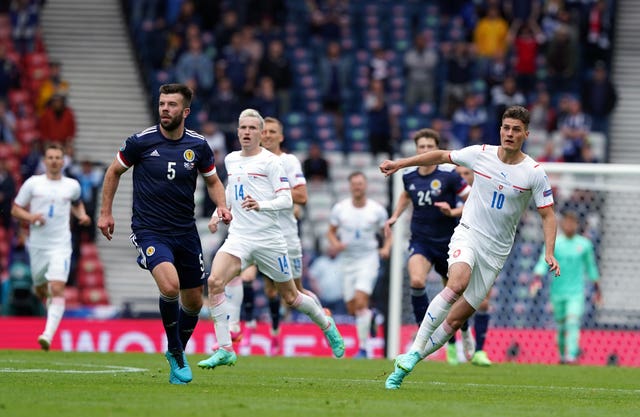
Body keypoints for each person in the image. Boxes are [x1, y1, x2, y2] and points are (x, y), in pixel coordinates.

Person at [380, 105, 560, 389]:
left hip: (496, 252)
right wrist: (400, 163)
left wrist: (549, 251)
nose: (509, 134)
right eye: (506, 127)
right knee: (457, 283)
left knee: (455, 320)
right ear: (500, 128)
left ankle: (411, 361)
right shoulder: (481, 154)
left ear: (526, 133)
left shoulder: (534, 173)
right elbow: (441, 155)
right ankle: (414, 347)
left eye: (516, 129)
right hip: (469, 233)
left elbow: (548, 215)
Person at [97, 83, 232, 385]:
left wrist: (222, 205)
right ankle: (175, 350)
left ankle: (176, 354)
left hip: (185, 231)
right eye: (161, 104)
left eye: (171, 105)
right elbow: (113, 172)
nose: (165, 110)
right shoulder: (140, 142)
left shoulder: (198, 146)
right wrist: (105, 212)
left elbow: (212, 180)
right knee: (170, 285)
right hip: (150, 229)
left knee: (195, 302)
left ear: (185, 111)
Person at [197, 109, 344, 370]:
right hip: (240, 236)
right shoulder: (231, 160)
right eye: (243, 127)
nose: (246, 132)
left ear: (260, 133)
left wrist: (261, 205)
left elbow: (287, 199)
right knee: (215, 281)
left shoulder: (272, 162)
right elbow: (231, 191)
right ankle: (225, 348)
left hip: (269, 239)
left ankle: (326, 324)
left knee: (291, 297)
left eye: (252, 128)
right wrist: (217, 213)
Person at [224, 116, 328, 356]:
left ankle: (311, 321)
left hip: (284, 237)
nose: (268, 135)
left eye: (273, 131)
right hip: (253, 233)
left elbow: (301, 197)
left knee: (290, 293)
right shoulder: (246, 161)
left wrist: (272, 190)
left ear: (280, 137)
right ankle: (242, 330)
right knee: (242, 277)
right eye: (266, 131)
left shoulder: (287, 162)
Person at [384, 128, 475, 365]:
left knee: (455, 296)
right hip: (421, 241)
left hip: (449, 243)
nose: (424, 150)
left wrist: (452, 211)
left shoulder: (451, 175)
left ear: (436, 148)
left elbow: (474, 201)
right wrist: (395, 216)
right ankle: (422, 334)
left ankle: (465, 331)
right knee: (416, 281)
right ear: (416, 150)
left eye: (428, 147)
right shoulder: (409, 176)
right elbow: (406, 195)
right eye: (421, 147)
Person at [11, 144, 91, 351]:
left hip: (60, 245)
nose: (54, 161)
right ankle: (47, 302)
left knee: (56, 287)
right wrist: (31, 217)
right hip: (37, 245)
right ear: (44, 161)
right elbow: (15, 209)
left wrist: (81, 215)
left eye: (58, 157)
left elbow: (76, 203)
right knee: (39, 287)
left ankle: (47, 334)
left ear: (63, 161)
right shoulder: (34, 184)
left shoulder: (72, 185)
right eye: (50, 157)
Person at [327, 171, 392, 358]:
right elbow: (330, 231)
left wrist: (386, 248)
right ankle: (369, 317)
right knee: (352, 307)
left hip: (368, 259)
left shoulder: (376, 210)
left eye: (360, 184)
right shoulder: (340, 208)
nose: (357, 187)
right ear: (349, 186)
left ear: (366, 186)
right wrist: (335, 243)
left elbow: (387, 233)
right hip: (347, 260)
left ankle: (364, 348)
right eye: (354, 184)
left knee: (361, 300)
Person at [531, 210, 601, 364]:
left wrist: (597, 289)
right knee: (562, 327)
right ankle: (563, 355)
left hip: (576, 292)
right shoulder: (555, 243)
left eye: (572, 222)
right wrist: (537, 278)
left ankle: (572, 355)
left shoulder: (584, 245)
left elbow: (591, 267)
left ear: (577, 225)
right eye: (567, 222)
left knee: (572, 321)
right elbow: (543, 261)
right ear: (562, 224)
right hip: (558, 292)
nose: (569, 225)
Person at [455, 165, 494, 366]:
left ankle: (479, 350)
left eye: (466, 174)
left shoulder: (484, 195)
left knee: (483, 302)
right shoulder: (450, 194)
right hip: (458, 250)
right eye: (459, 174)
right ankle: (459, 340)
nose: (462, 177)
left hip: (485, 250)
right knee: (458, 297)